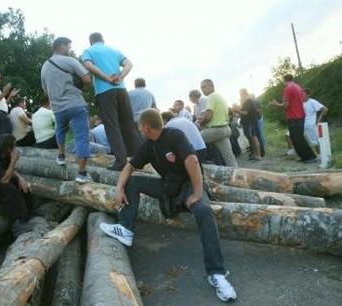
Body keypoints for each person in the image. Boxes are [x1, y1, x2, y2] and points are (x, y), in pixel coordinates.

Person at [99, 109, 237, 303]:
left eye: (139, 127)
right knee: (133, 182)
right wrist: (119, 188)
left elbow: (192, 160)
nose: (138, 130)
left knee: (204, 211)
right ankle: (125, 228)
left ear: (146, 127)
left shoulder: (174, 135)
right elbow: (129, 167)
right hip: (168, 186)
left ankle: (217, 274)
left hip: (188, 185)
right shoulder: (148, 146)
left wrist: (197, 193)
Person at [81, 32, 140, 171]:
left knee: (112, 126)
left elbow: (88, 66)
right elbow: (129, 64)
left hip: (104, 92)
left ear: (91, 41)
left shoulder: (88, 51)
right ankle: (137, 158)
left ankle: (121, 161)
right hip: (122, 90)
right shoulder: (114, 50)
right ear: (103, 40)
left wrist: (106, 78)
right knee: (128, 124)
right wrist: (120, 76)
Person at [41, 36, 92, 183]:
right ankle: (82, 173)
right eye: (68, 47)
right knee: (82, 137)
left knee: (60, 129)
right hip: (75, 103)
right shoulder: (70, 61)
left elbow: (45, 91)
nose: (69, 50)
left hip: (57, 107)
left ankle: (61, 156)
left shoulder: (44, 67)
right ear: (62, 46)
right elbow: (87, 79)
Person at [270, 74, 316, 163]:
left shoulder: (288, 88)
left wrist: (275, 104)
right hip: (300, 115)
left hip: (294, 116)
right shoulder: (297, 87)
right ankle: (304, 157)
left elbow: (285, 105)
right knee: (295, 137)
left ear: (284, 80)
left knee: (298, 138)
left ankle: (309, 157)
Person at [199, 79, 238, 167]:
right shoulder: (220, 96)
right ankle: (236, 176)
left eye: (204, 87)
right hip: (225, 129)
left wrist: (202, 123)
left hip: (217, 130)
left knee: (194, 141)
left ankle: (202, 169)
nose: (202, 90)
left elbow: (209, 115)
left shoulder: (211, 96)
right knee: (229, 157)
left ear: (211, 86)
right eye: (201, 88)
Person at [233, 89, 261, 161]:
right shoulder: (247, 101)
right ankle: (255, 154)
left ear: (243, 94)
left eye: (240, 94)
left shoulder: (248, 101)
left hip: (250, 122)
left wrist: (236, 110)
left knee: (254, 138)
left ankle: (258, 155)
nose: (240, 96)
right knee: (251, 138)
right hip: (248, 122)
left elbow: (245, 113)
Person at [303, 89, 329, 154]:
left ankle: (321, 156)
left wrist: (319, 120)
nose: (301, 95)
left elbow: (325, 109)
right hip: (301, 125)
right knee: (289, 135)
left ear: (308, 95)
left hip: (310, 125)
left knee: (314, 142)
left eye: (303, 94)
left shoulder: (312, 101)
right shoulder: (300, 102)